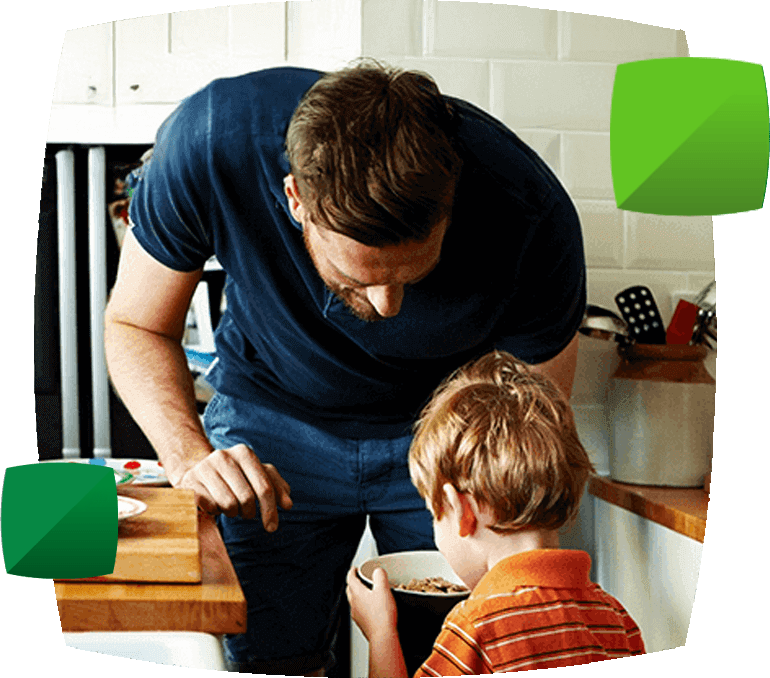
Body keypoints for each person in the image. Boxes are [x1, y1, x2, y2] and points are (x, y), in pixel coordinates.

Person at [104, 57, 586, 676]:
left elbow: (528, 423)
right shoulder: (213, 141)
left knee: (464, 652)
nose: (387, 307)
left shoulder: (528, 210)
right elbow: (136, 324)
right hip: (270, 425)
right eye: (360, 278)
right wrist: (190, 458)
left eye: (414, 272)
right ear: (295, 199)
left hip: (441, 444)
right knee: (270, 656)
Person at [346, 350, 645, 676]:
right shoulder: (617, 619)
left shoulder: (475, 629)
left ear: (461, 510)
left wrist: (381, 634)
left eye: (434, 513)